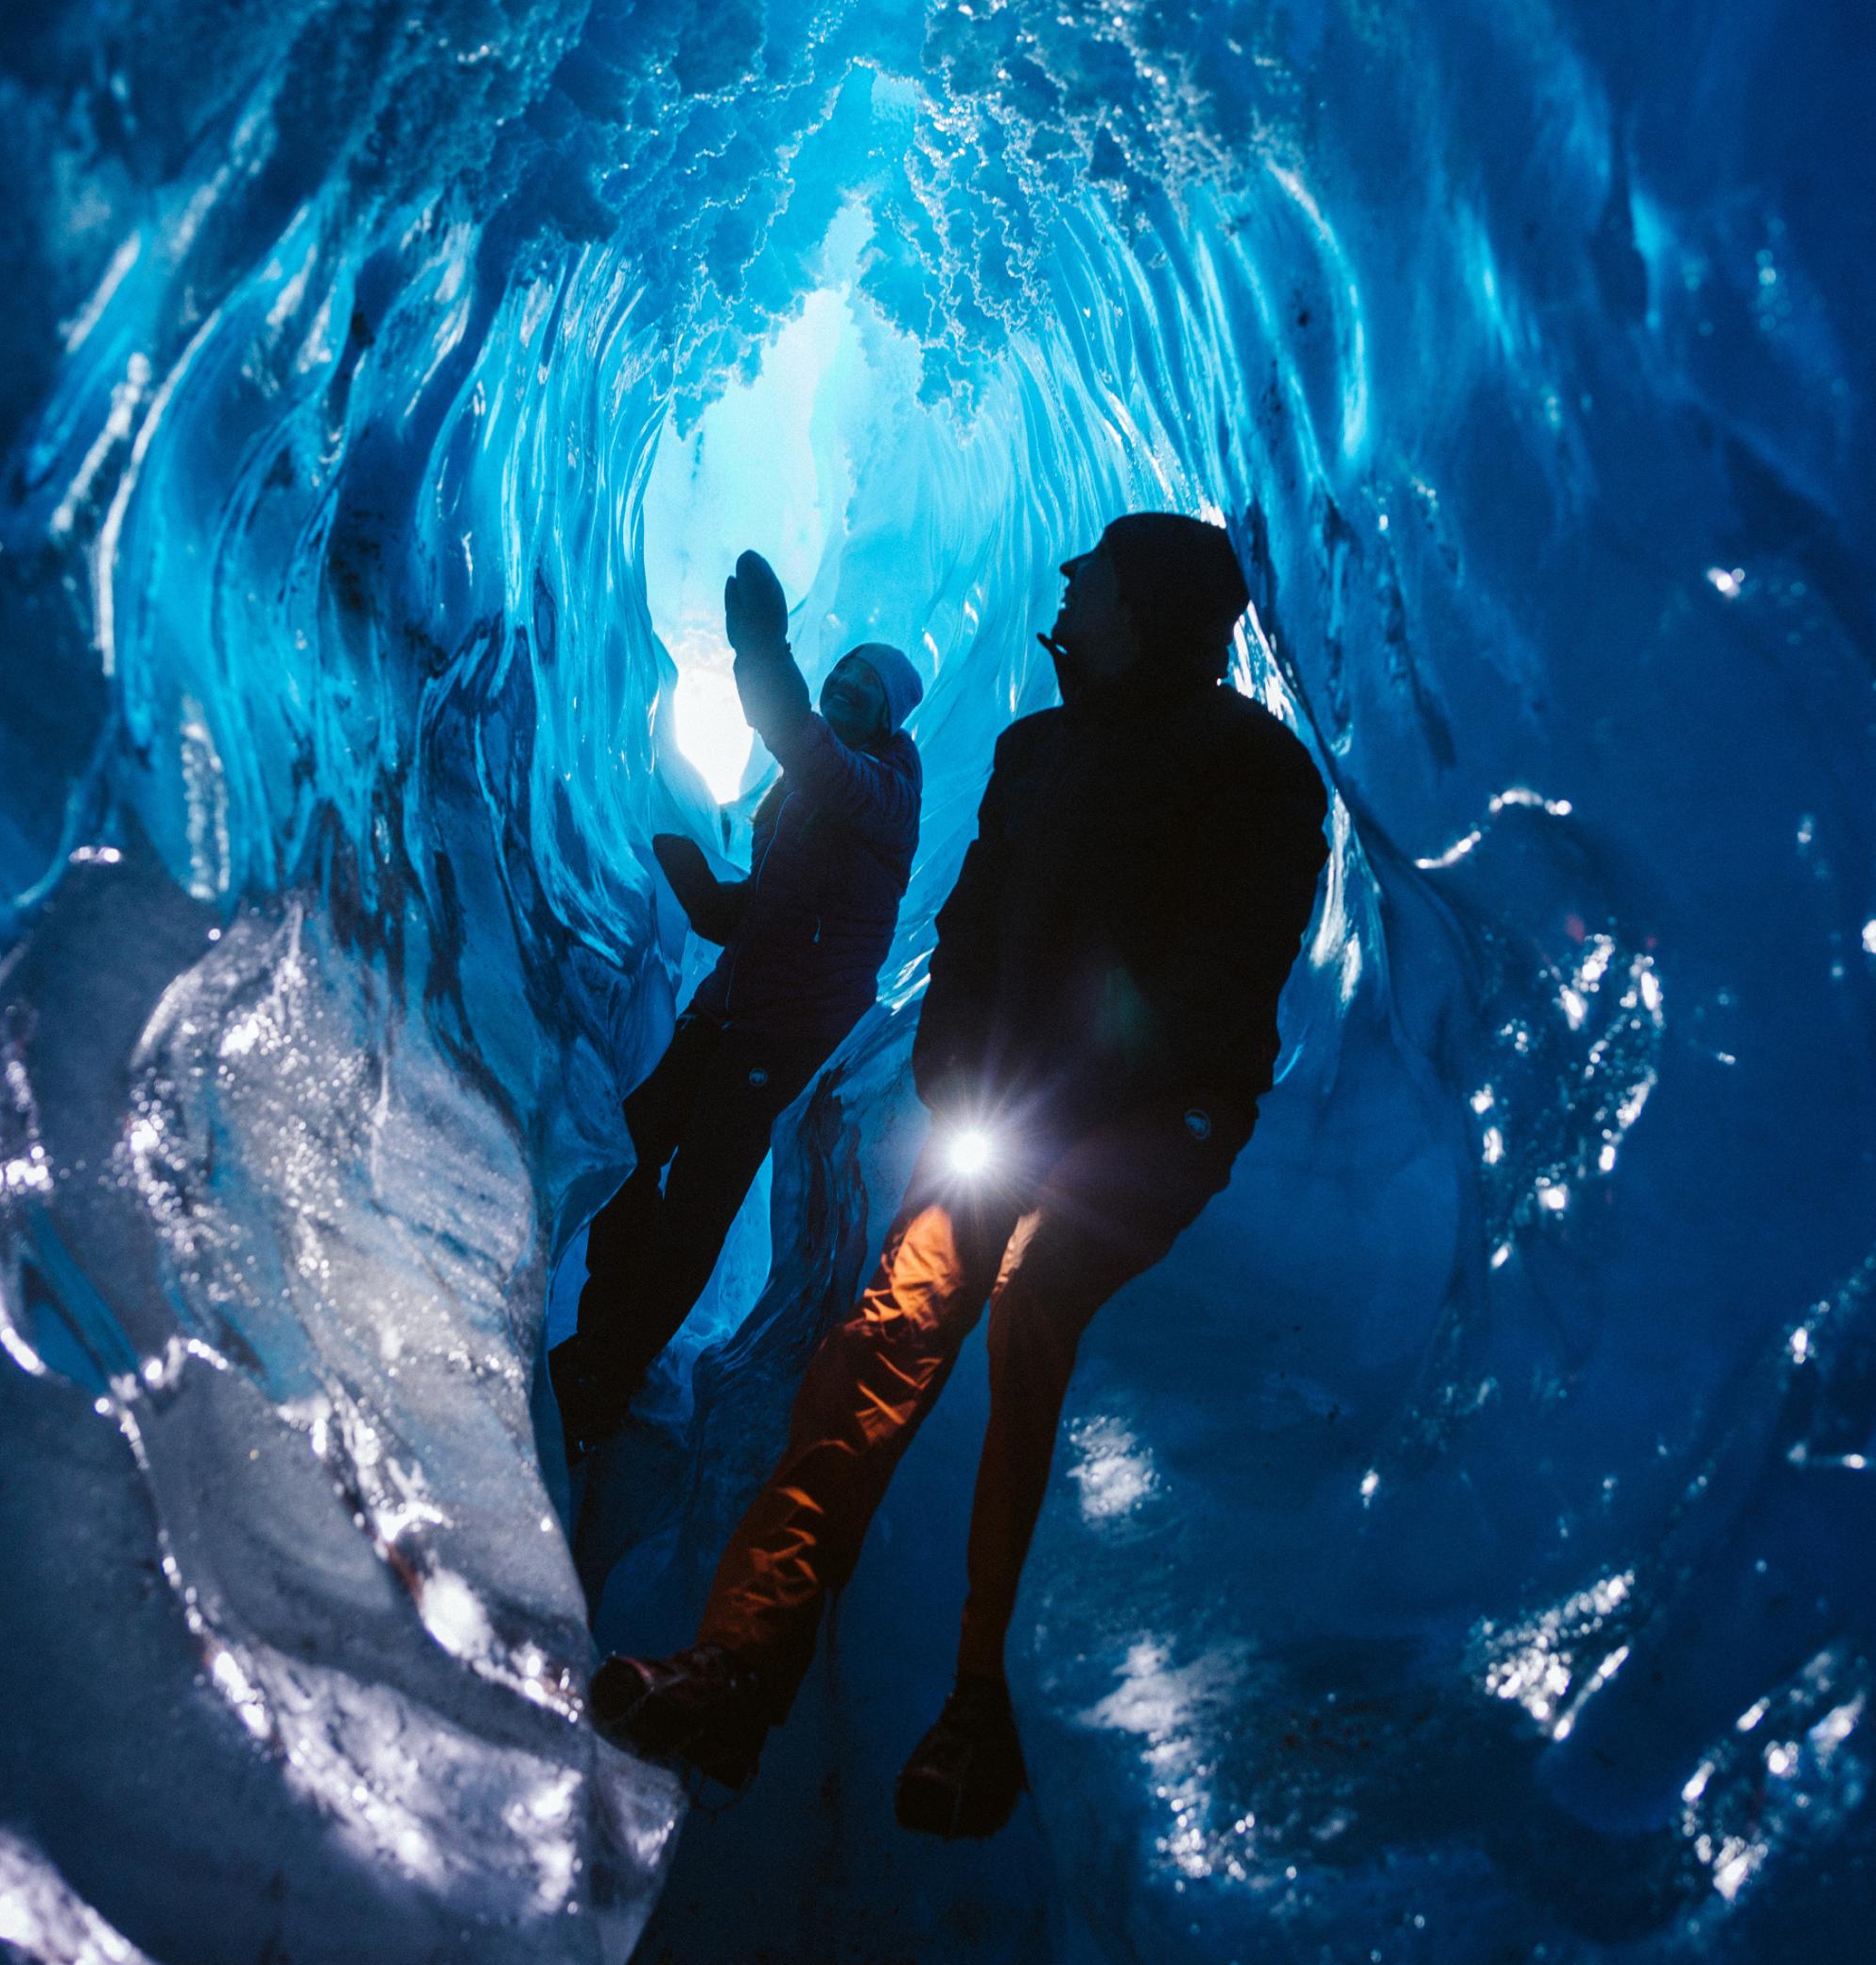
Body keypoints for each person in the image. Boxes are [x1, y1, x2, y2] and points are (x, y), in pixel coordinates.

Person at [591, 511, 1329, 1840]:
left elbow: (1232, 973)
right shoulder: (1033, 751)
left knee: (1036, 1327)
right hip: (1013, 1117)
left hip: (1143, 1132)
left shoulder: (1254, 770)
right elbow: (973, 916)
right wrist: (950, 1060)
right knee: (879, 1346)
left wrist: (1097, 1091)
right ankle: (732, 1668)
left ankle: (984, 1714)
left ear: (1147, 607)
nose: (1065, 588)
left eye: (1091, 578)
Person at [548, 551, 925, 1460]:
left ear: (890, 714)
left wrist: (761, 651)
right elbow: (768, 909)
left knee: (698, 1206)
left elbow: (803, 739)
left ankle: (607, 1371)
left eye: (864, 686)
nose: (846, 689)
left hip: (786, 1035)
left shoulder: (882, 791)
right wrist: (706, 896)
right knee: (630, 1153)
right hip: (727, 1009)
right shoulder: (805, 789)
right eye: (844, 673)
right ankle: (599, 1335)